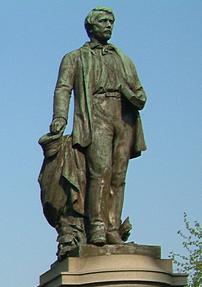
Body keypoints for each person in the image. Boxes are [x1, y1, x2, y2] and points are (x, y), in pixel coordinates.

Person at [49, 7, 146, 247]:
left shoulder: (122, 58)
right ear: (91, 26)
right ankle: (97, 228)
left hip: (123, 117)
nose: (108, 25)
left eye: (111, 22)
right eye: (103, 21)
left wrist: (128, 93)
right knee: (100, 171)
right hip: (95, 114)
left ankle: (113, 227)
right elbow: (63, 88)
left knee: (118, 175)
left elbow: (140, 94)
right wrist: (60, 117)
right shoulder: (75, 57)